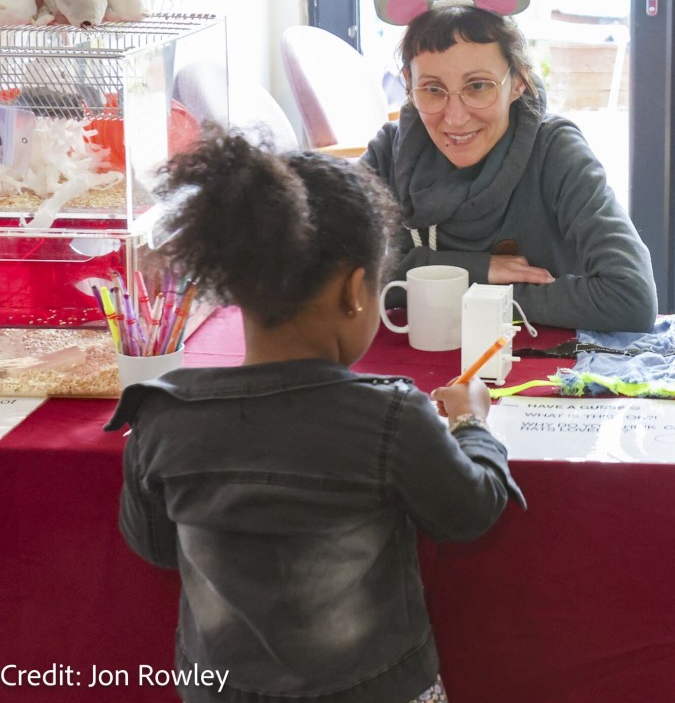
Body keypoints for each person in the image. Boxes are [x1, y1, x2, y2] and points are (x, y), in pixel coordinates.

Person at [105, 126, 523, 703]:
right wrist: (474, 424)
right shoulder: (391, 417)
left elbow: (153, 546)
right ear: (356, 290)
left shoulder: (160, 417)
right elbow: (470, 510)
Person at [361, 0, 657, 333]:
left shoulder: (555, 152)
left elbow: (631, 298)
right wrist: (477, 269)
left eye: (478, 86)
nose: (455, 117)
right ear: (408, 83)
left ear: (518, 82)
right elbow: (333, 273)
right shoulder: (388, 154)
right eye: (433, 89)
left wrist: (447, 286)